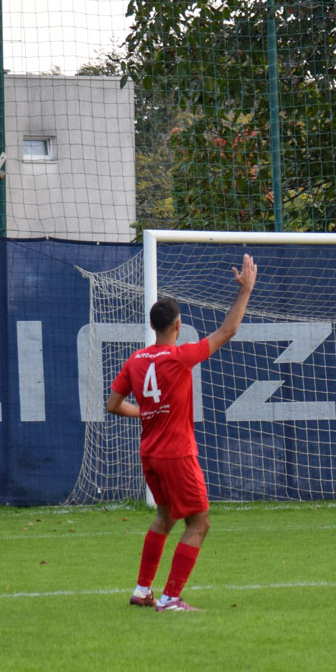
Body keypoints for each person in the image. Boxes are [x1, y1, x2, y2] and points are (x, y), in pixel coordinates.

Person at [106, 254, 258, 611]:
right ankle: (171, 598)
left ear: (152, 325)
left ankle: (143, 590)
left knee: (165, 517)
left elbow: (113, 405)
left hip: (150, 453)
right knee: (199, 523)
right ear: (178, 325)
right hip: (177, 454)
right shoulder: (180, 357)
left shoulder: (135, 360)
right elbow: (228, 331)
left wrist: (147, 411)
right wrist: (245, 290)